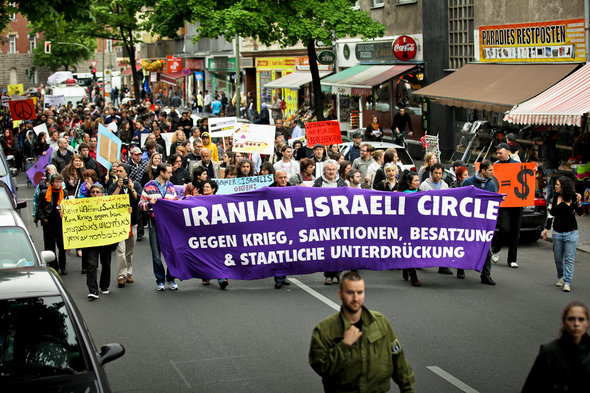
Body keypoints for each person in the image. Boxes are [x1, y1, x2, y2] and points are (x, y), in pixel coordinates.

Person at [309, 271, 415, 393]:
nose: (355, 298)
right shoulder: (324, 330)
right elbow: (323, 368)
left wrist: (407, 389)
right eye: (350, 293)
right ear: (340, 295)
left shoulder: (380, 323)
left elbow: (398, 360)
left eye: (359, 293)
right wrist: (345, 345)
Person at [522, 301, 590, 393]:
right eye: (571, 319)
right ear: (563, 322)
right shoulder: (550, 352)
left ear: (587, 323)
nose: (576, 324)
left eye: (581, 319)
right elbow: (533, 385)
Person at [139, 163, 180, 291]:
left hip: (168, 224)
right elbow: (141, 205)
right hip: (154, 223)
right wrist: (149, 205)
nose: (171, 174)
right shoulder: (148, 186)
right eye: (169, 172)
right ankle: (160, 279)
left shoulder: (171, 186)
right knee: (156, 254)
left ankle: (171, 278)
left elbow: (175, 202)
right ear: (161, 173)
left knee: (172, 251)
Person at [542, 177, 584, 292]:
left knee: (569, 259)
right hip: (557, 232)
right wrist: (546, 229)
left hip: (571, 232)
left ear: (564, 186)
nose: (555, 186)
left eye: (558, 185)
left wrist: (579, 204)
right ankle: (560, 276)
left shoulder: (574, 197)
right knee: (558, 258)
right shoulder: (555, 198)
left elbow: (581, 213)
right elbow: (551, 214)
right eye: (555, 184)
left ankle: (567, 282)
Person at [462, 159, 497, 285]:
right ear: (483, 171)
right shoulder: (468, 182)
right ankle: (461, 268)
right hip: (469, 222)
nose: (492, 172)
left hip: (483, 222)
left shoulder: (491, 185)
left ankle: (485, 275)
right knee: (465, 245)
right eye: (490, 170)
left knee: (487, 249)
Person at [109, 163, 142, 288]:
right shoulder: (113, 185)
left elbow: (138, 199)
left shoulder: (136, 184)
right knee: (120, 250)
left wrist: (131, 188)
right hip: (118, 222)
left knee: (129, 250)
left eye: (121, 171)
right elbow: (110, 201)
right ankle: (121, 275)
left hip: (132, 222)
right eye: (117, 171)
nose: (118, 173)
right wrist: (118, 187)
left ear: (127, 173)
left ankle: (129, 273)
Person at [313, 159, 346, 285]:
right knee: (327, 249)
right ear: (324, 170)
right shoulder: (318, 183)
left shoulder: (342, 183)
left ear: (336, 170)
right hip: (323, 222)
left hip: (339, 221)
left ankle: (339, 272)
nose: (331, 172)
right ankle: (329, 275)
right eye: (328, 169)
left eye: (333, 169)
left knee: (339, 248)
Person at [491, 143, 523, 269]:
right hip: (503, 202)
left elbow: (526, 176)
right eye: (497, 153)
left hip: (517, 201)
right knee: (504, 228)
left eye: (500, 153)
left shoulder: (517, 165)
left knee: (515, 231)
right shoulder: (496, 166)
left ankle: (512, 259)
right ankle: (497, 248)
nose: (498, 155)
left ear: (508, 153)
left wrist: (533, 170)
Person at [84, 184, 115, 300]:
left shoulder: (109, 205)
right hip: (91, 240)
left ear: (102, 193)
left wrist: (128, 211)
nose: (95, 194)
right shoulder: (83, 206)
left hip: (105, 239)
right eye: (93, 192)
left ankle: (104, 285)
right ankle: (93, 290)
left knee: (106, 264)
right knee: (91, 265)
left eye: (98, 192)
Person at [36, 173, 69, 275]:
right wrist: (43, 218)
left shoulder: (64, 192)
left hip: (60, 222)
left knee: (62, 245)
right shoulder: (45, 193)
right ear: (52, 183)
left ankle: (63, 266)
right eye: (56, 182)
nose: (58, 184)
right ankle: (54, 265)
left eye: (60, 182)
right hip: (49, 222)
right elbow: (39, 208)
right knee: (50, 245)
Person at [398, 171, 421, 286]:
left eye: (418, 180)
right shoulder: (402, 195)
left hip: (417, 227)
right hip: (405, 226)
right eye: (415, 180)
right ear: (408, 182)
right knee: (410, 250)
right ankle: (414, 276)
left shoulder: (422, 194)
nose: (418, 183)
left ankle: (405, 267)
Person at [540, 131, 560, 204]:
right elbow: (553, 156)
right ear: (553, 136)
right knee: (550, 186)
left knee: (549, 185)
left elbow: (540, 154)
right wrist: (557, 162)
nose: (558, 137)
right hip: (550, 166)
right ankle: (547, 202)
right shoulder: (551, 144)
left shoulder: (544, 144)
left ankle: (547, 201)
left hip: (545, 166)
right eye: (557, 136)